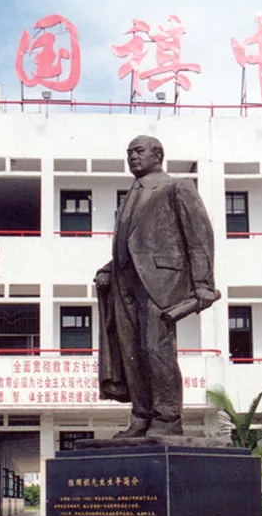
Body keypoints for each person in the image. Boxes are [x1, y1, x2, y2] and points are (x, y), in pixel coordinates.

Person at [94, 135, 220, 438]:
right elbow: (134, 244)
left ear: (158, 155)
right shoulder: (131, 195)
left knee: (155, 350)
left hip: (161, 283)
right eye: (129, 152)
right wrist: (109, 269)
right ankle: (141, 416)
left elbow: (199, 236)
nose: (132, 157)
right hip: (125, 284)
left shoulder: (176, 187)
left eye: (139, 151)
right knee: (132, 352)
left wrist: (203, 283)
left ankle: (167, 417)